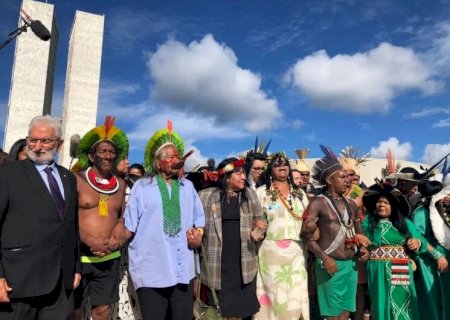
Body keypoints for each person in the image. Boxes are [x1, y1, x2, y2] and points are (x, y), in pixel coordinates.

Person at [121, 121, 205, 320]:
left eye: (178, 156)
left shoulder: (188, 187)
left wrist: (197, 238)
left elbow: (199, 221)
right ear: (158, 163)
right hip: (151, 271)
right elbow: (129, 225)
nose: (176, 160)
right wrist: (110, 242)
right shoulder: (142, 187)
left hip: (183, 271)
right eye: (170, 157)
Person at [0, 115, 80, 319]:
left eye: (45, 141)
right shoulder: (8, 174)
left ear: (60, 144)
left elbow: (72, 225)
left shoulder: (68, 178)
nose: (37, 146)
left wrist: (76, 267)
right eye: (32, 140)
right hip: (18, 280)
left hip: (61, 282)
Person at [301, 145, 369, 320]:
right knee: (332, 313)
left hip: (351, 265)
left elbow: (359, 231)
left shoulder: (351, 204)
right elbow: (305, 237)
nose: (347, 180)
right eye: (342, 177)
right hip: (330, 263)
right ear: (329, 181)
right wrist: (324, 258)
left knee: (346, 311)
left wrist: (363, 249)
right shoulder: (317, 203)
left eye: (348, 177)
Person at [72, 115, 128, 320]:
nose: (108, 155)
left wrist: (119, 231)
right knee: (75, 309)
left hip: (109, 257)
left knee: (102, 309)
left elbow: (122, 216)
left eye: (112, 152)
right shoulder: (76, 180)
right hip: (80, 256)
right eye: (103, 151)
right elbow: (66, 219)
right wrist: (89, 239)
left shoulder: (120, 184)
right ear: (91, 155)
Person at [199, 157, 267, 319]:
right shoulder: (206, 196)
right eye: (239, 173)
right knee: (219, 311)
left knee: (241, 313)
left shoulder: (249, 195)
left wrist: (259, 228)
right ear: (226, 177)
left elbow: (261, 219)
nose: (244, 177)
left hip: (243, 264)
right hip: (217, 265)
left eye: (244, 173)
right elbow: (194, 224)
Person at [254, 152, 310, 320]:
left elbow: (309, 218)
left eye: (285, 163)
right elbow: (252, 218)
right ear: (270, 170)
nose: (282, 166)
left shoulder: (299, 193)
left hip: (297, 251)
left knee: (295, 295)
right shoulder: (262, 192)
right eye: (277, 164)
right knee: (275, 296)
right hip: (271, 253)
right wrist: (256, 224)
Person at [362, 186, 426, 320]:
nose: (381, 205)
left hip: (400, 266)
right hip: (377, 268)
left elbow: (421, 240)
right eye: (379, 202)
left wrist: (416, 242)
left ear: (393, 206)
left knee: (402, 302)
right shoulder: (367, 222)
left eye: (386, 202)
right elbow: (361, 241)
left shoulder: (405, 223)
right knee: (381, 301)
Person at [412, 180, 450, 320]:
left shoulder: (442, 211)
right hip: (430, 261)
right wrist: (437, 255)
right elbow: (419, 237)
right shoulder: (422, 212)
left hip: (444, 258)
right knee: (432, 297)